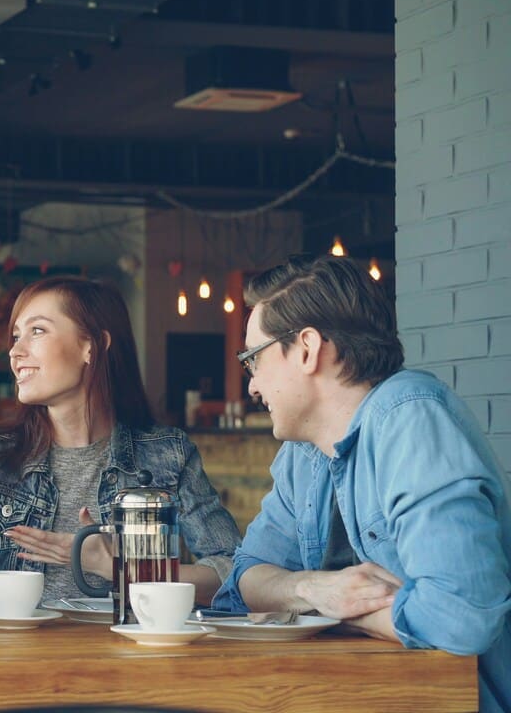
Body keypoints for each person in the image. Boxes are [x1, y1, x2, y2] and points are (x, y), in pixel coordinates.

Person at [211, 256, 510, 712]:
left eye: (253, 359)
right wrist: (314, 590)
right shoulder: (303, 450)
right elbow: (245, 579)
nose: (252, 386)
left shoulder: (409, 418)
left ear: (307, 348)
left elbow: (460, 618)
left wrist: (336, 610)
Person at [0, 276, 241, 613]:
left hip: (135, 654)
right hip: (19, 659)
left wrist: (118, 568)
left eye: (37, 331)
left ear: (92, 346)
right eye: (15, 336)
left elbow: (234, 574)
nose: (15, 351)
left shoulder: (167, 454)